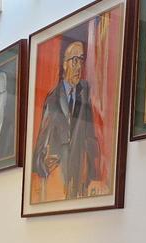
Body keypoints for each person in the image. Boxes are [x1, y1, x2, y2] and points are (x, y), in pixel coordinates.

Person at [31, 34, 108, 202]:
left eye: (81, 60)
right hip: (59, 182)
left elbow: (90, 134)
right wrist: (43, 164)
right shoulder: (52, 100)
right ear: (64, 64)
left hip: (81, 181)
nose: (79, 66)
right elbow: (39, 150)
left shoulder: (84, 91)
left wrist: (95, 174)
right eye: (74, 60)